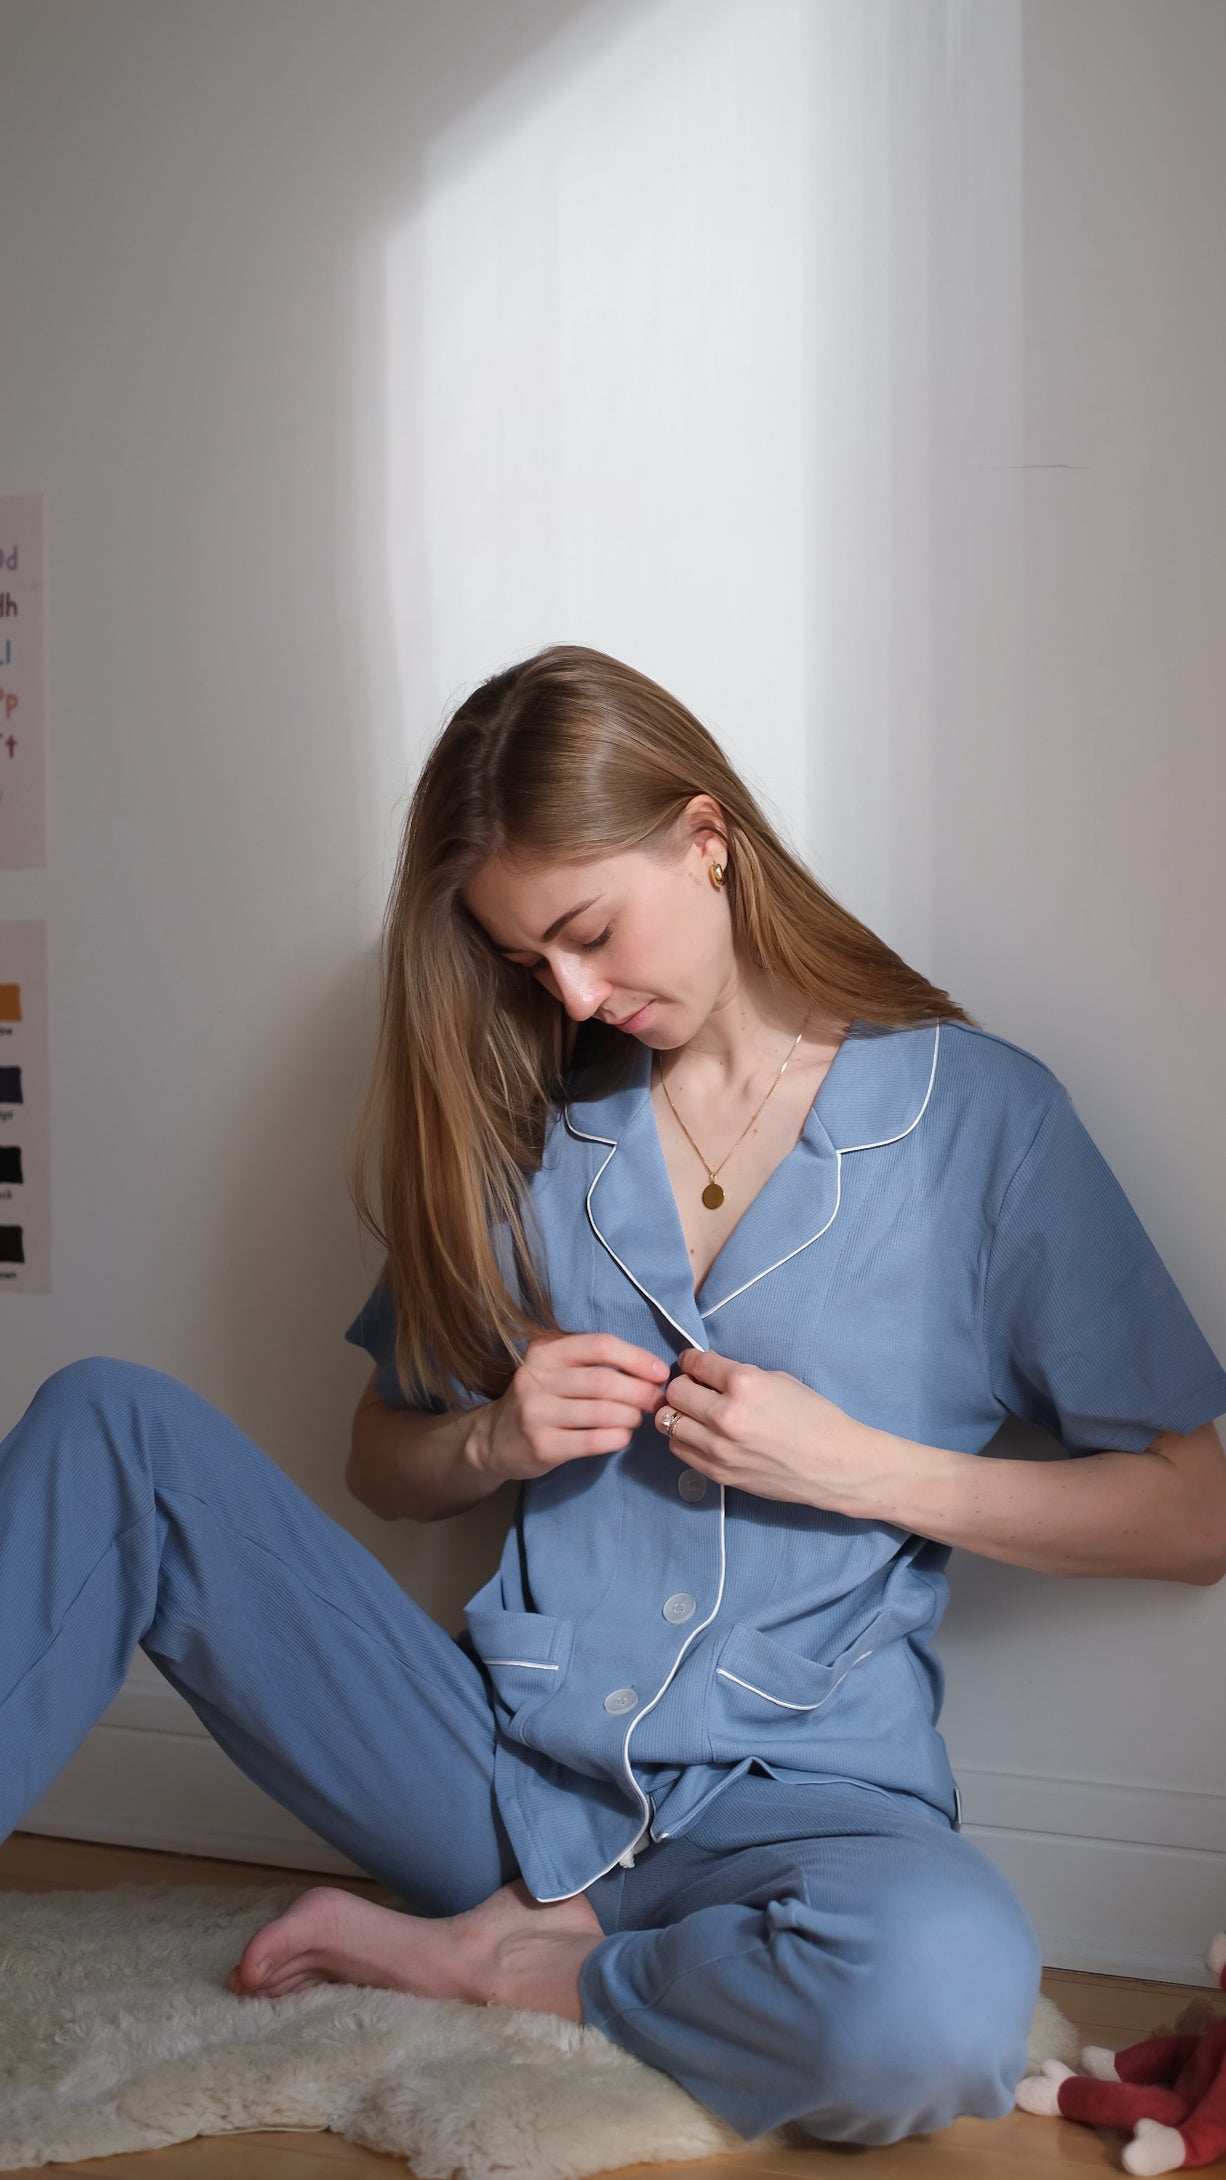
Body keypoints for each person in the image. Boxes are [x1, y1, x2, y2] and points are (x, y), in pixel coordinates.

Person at [4, 644, 1226, 2150]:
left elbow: (1193, 1510)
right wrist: (491, 1434)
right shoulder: (531, 1124)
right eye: (529, 964)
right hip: (496, 1776)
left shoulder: (977, 1121)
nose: (573, 993)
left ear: (704, 841)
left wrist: (861, 1468)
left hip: (806, 1804)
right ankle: (516, 1927)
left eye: (584, 931)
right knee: (105, 1422)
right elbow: (380, 1461)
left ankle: (516, 1967)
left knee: (935, 2014)